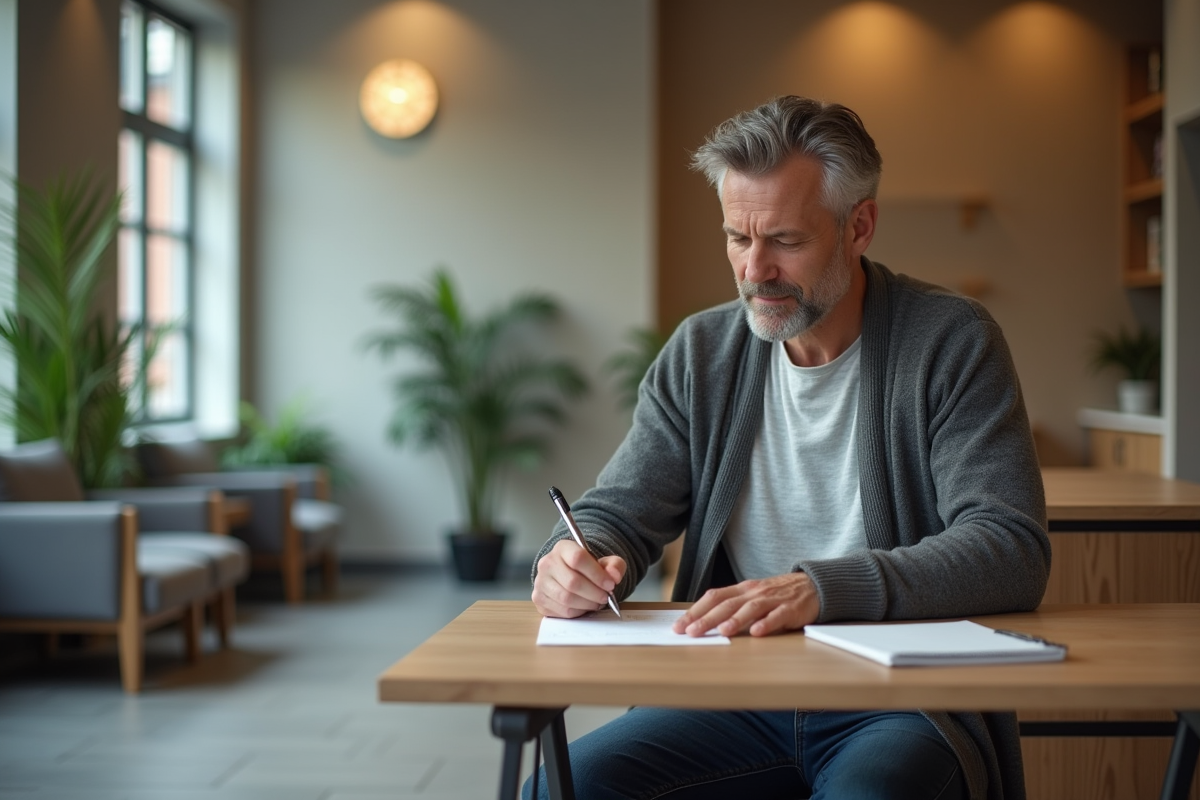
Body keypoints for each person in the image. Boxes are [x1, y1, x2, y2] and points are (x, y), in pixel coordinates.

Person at [528, 95, 1049, 800]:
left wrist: (820, 589)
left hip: (897, 702)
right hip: (730, 692)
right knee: (559, 789)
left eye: (785, 241)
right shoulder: (701, 353)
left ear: (858, 226)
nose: (754, 270)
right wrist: (575, 558)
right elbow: (620, 512)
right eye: (737, 239)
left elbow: (1011, 547)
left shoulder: (951, 342)